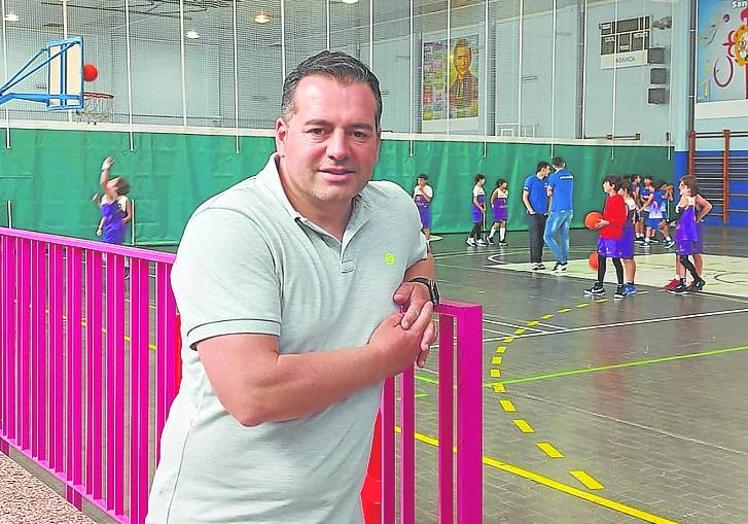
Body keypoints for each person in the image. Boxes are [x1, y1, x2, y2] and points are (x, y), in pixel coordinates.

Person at [146, 51, 438, 523]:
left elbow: (420, 254)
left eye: (358, 132)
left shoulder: (394, 210)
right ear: (282, 136)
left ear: (378, 142)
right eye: (319, 129)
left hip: (335, 510)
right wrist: (386, 357)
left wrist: (422, 283)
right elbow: (253, 394)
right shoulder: (231, 226)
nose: (339, 149)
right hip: (222, 513)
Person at [665, 175, 713, 294]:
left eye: (682, 185)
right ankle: (681, 279)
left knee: (693, 253)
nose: (679, 187)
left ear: (689, 187)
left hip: (690, 228)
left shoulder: (692, 197)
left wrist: (697, 218)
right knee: (681, 255)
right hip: (683, 228)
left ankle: (696, 279)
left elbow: (708, 206)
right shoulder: (685, 197)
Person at [585, 176, 627, 299]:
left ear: (612, 185)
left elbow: (621, 220)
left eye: (606, 183)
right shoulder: (608, 199)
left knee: (615, 259)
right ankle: (599, 285)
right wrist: (600, 224)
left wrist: (606, 222)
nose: (603, 185)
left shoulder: (618, 199)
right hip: (605, 234)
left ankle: (621, 286)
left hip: (614, 235)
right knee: (601, 258)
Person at [543, 156, 574, 273]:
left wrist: (551, 191)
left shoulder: (554, 177)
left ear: (554, 166)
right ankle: (563, 262)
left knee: (547, 236)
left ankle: (561, 260)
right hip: (569, 209)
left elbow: (549, 192)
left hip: (558, 210)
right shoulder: (570, 175)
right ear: (564, 164)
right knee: (564, 237)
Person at [94, 156, 132, 245]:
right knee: (114, 251)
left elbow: (103, 183)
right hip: (112, 228)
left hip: (113, 229)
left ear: (116, 188)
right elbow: (106, 212)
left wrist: (105, 167)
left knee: (110, 251)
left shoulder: (113, 195)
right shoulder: (109, 198)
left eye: (113, 181)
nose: (109, 181)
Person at [522, 161, 550, 270]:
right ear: (542, 169)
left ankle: (539, 260)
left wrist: (549, 209)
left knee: (542, 238)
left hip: (544, 214)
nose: (549, 171)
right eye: (548, 169)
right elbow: (525, 197)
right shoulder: (530, 180)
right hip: (533, 215)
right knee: (534, 237)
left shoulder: (547, 181)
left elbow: (550, 196)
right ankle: (534, 261)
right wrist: (531, 210)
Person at [449, 39, 478, 118]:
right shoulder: (451, 89)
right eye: (459, 58)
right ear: (454, 60)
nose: (463, 63)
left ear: (470, 59)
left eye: (466, 57)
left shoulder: (477, 84)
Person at [618, 179, 638, 295]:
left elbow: (623, 218)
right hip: (627, 230)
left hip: (625, 231)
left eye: (620, 189)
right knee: (627, 258)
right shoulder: (630, 201)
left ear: (625, 190)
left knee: (627, 258)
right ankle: (629, 282)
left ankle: (630, 284)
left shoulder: (626, 202)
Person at [466, 174, 487, 246]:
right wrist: (480, 208)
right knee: (477, 223)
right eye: (483, 179)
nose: (484, 181)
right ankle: (470, 238)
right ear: (480, 180)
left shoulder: (481, 188)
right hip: (476, 208)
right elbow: (475, 200)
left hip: (481, 207)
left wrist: (484, 206)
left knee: (480, 223)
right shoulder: (476, 189)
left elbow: (483, 199)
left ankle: (478, 239)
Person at [488, 178, 508, 246]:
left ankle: (501, 240)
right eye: (504, 183)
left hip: (503, 209)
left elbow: (505, 200)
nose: (506, 184)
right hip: (497, 209)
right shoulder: (497, 191)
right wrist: (494, 207)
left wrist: (504, 206)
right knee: (498, 223)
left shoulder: (506, 191)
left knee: (503, 223)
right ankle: (490, 237)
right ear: (500, 184)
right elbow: (492, 199)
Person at [413, 174, 434, 241]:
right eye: (418, 180)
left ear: (425, 181)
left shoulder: (428, 188)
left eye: (421, 180)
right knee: (416, 225)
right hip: (417, 209)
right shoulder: (416, 188)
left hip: (424, 209)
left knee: (425, 226)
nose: (419, 181)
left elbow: (428, 200)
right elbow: (414, 198)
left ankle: (427, 242)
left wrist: (422, 191)